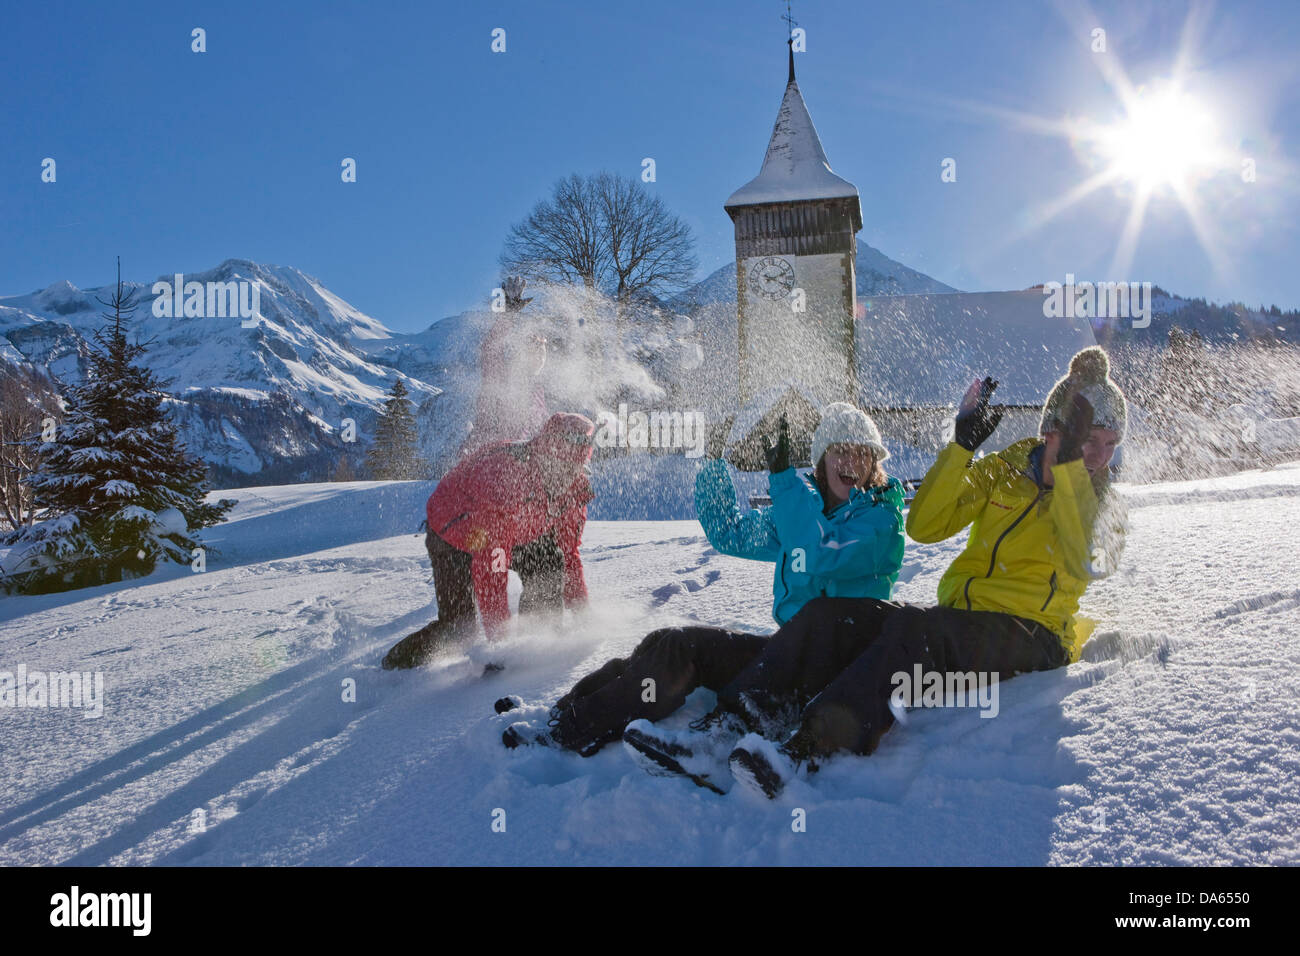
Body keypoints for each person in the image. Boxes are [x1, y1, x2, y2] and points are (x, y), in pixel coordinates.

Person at [714, 346, 1130, 798]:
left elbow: (1089, 561)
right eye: (1089, 441)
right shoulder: (1004, 471)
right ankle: (734, 719)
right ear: (1052, 431)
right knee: (833, 613)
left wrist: (1070, 470)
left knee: (919, 631)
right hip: (964, 621)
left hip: (1034, 637)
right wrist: (962, 447)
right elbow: (926, 524)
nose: (1100, 456)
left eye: (1110, 444)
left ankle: (806, 749)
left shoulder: (1102, 500)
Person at [500, 403, 907, 786]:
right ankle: (568, 718)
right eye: (841, 451)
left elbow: (819, 552)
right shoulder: (803, 510)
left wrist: (784, 482)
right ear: (822, 460)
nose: (851, 461)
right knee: (676, 645)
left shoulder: (881, 519)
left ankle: (700, 745)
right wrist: (714, 463)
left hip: (830, 673)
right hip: (785, 655)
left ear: (874, 465)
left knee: (717, 651)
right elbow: (730, 533)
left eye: (863, 453)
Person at [381, 412, 596, 670]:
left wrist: (583, 616)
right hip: (455, 534)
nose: (564, 477)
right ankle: (392, 666)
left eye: (573, 468)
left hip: (514, 533)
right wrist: (500, 644)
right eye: (558, 465)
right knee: (459, 628)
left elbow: (569, 554)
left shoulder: (573, 489)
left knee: (548, 562)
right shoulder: (506, 476)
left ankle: (538, 646)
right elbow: (491, 566)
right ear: (544, 456)